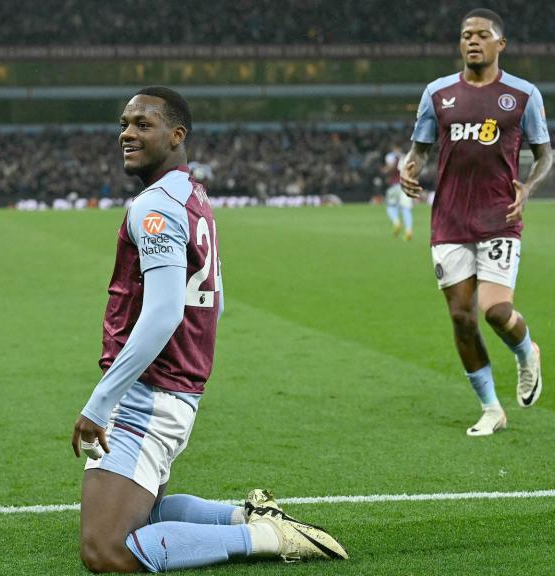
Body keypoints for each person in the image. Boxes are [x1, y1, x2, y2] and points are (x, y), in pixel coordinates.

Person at [71, 86, 348, 573]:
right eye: (123, 125)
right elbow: (215, 301)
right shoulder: (193, 195)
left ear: (177, 135)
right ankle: (248, 514)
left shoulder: (155, 207)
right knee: (145, 513)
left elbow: (161, 315)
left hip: (148, 395)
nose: (127, 135)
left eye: (142, 125)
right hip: (174, 390)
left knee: (106, 549)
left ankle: (262, 536)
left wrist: (101, 401)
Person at [401, 9, 553, 436]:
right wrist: (408, 167)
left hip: (499, 217)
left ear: (499, 45)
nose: (472, 41)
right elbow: (419, 149)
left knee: (495, 310)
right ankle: (491, 408)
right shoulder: (437, 92)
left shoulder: (523, 95)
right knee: (461, 318)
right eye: (466, 35)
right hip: (449, 220)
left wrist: (529, 188)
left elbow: (545, 156)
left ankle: (526, 353)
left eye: (482, 35)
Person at [382, 145, 414, 240]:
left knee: (390, 206)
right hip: (406, 185)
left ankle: (396, 221)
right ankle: (409, 230)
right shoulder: (406, 157)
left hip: (395, 185)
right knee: (406, 209)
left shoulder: (391, 156)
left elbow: (390, 169)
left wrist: (385, 171)